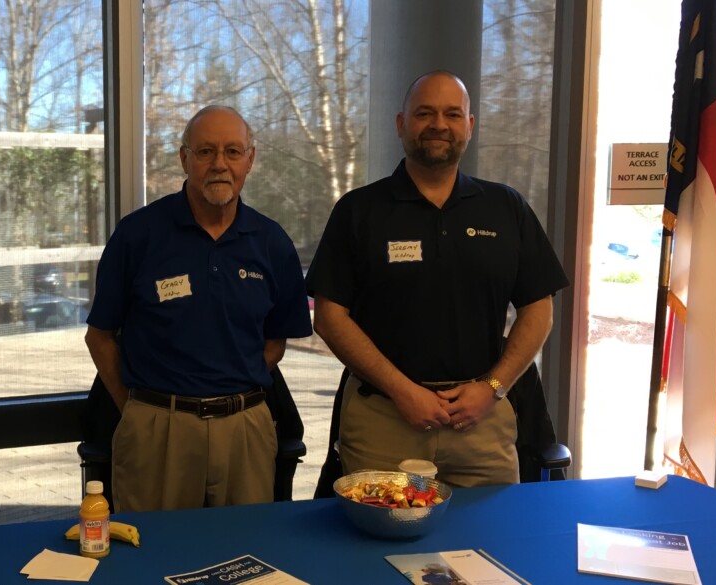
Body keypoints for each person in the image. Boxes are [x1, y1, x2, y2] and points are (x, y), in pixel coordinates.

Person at [306, 71, 569, 487]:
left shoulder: (506, 208)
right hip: (384, 420)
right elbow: (330, 317)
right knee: (374, 543)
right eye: (424, 113)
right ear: (401, 124)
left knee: (490, 542)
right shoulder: (359, 211)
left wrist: (493, 387)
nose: (438, 125)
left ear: (470, 125)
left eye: (452, 113)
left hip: (481, 421)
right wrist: (402, 390)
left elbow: (539, 309)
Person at [85, 105, 313, 512]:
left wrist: (230, 389)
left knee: (246, 558)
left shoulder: (272, 242)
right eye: (206, 151)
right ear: (184, 158)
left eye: (232, 151)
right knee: (152, 557)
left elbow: (275, 343)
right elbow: (99, 337)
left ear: (251, 159)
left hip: (245, 428)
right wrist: (139, 413)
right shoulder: (138, 235)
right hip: (157, 429)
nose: (219, 164)